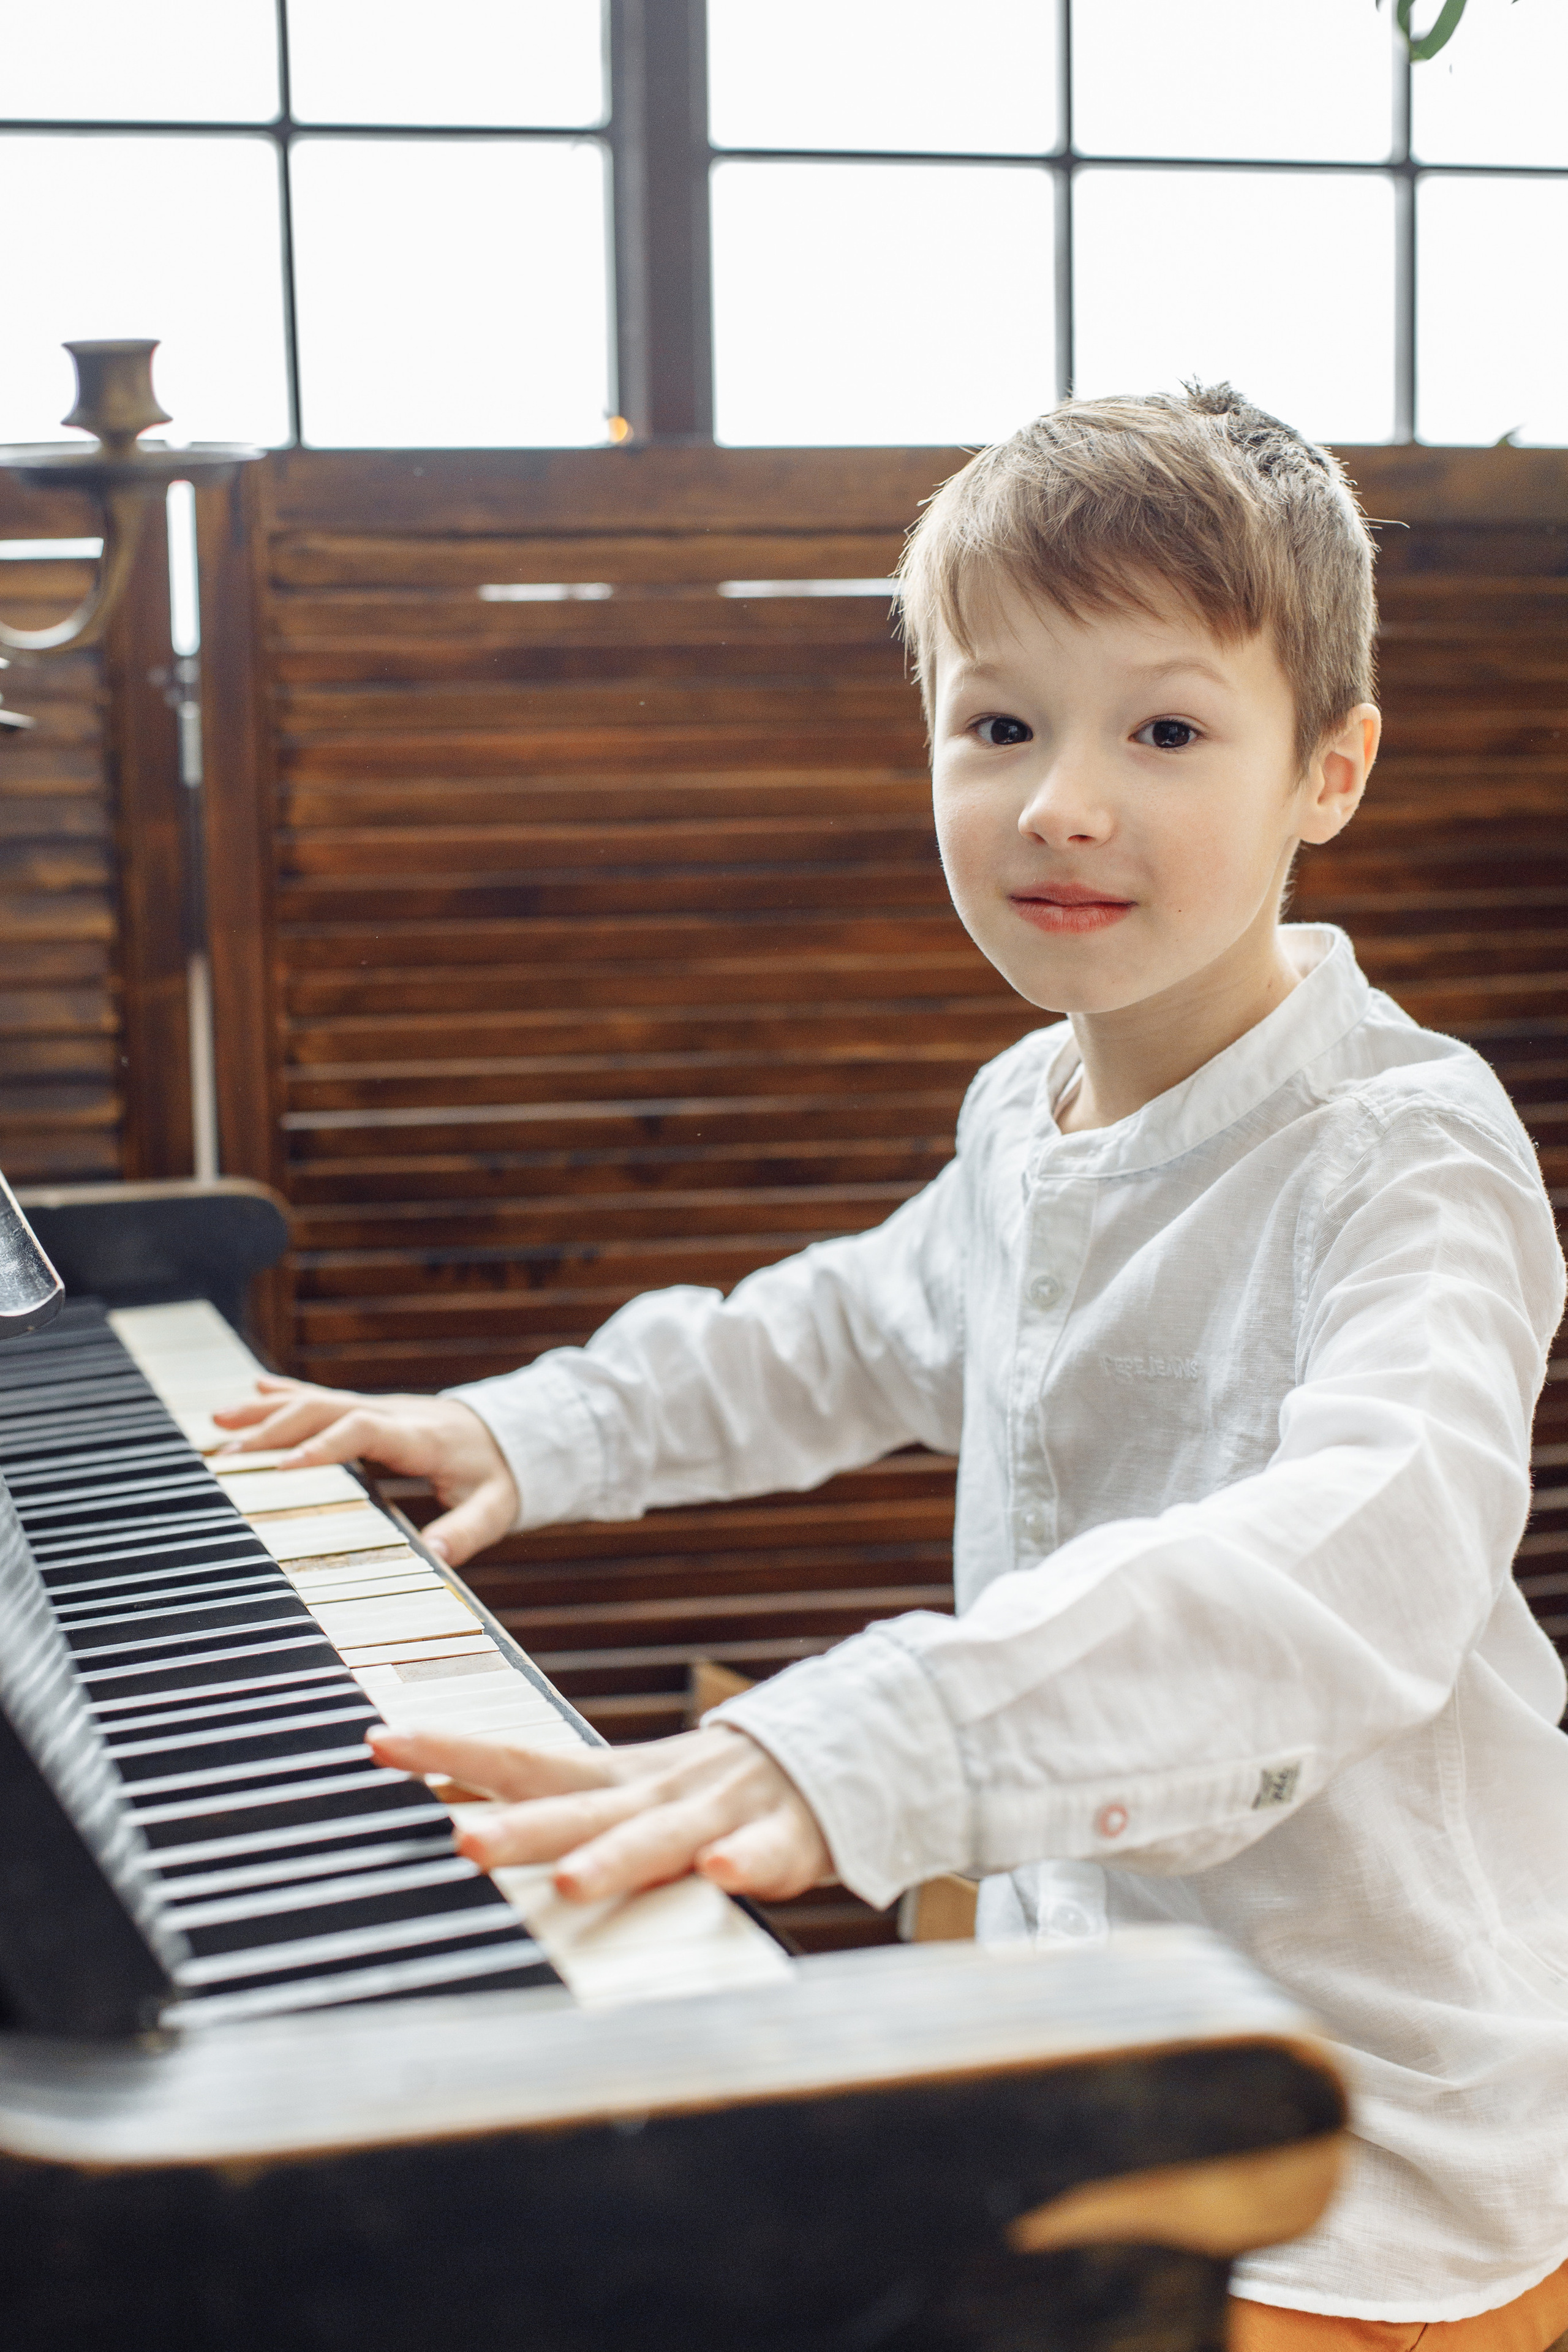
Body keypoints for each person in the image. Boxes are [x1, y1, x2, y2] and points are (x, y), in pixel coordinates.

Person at [216, 386, 1568, 2348]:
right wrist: (524, 1424)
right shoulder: (1028, 1111)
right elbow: (849, 1327)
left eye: (1167, 730)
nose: (1061, 805)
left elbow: (1360, 1556)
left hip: (1361, 2143)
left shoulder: (1409, 1150)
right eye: (1000, 724)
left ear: (1328, 772)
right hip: (1073, 2027)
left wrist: (855, 1744)